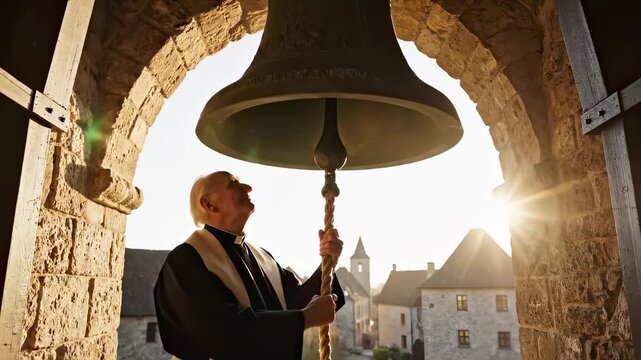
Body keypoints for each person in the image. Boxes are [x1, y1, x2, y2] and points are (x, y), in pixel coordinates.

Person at [154, 171, 345, 360]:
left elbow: (297, 303)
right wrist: (304, 319)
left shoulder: (262, 256)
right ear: (209, 204)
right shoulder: (185, 260)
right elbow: (219, 331)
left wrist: (328, 263)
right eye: (233, 184)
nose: (247, 188)